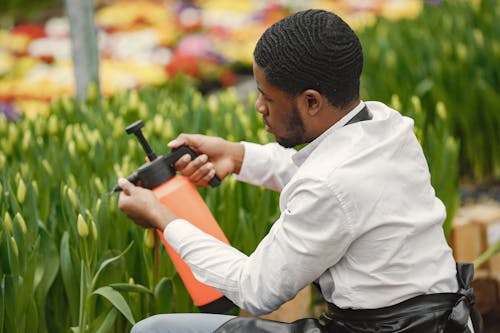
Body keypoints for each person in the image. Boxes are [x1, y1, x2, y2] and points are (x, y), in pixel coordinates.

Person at [118, 9, 482, 333]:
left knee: (156, 328)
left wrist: (164, 219)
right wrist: (238, 156)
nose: (258, 106)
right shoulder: (385, 124)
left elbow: (255, 290)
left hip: (387, 328)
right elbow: (331, 179)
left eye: (267, 97)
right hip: (445, 320)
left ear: (311, 101)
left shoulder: (328, 184)